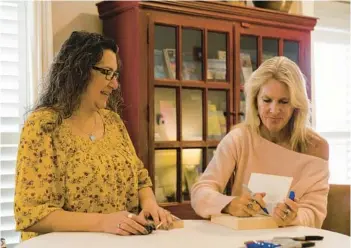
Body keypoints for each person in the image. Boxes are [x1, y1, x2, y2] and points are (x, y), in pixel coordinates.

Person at [14, 31, 174, 241]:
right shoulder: (43, 125)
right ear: (78, 71)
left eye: (115, 74)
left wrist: (150, 205)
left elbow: (140, 178)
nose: (114, 84)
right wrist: (103, 222)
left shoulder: (113, 122)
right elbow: (31, 214)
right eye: (106, 72)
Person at [191, 56, 329, 228]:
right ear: (255, 100)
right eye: (267, 100)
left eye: (284, 102)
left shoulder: (316, 147)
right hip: (242, 238)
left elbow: (315, 212)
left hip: (293, 240)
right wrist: (229, 204)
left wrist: (294, 217)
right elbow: (200, 192)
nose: (274, 110)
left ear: (296, 105)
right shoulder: (239, 138)